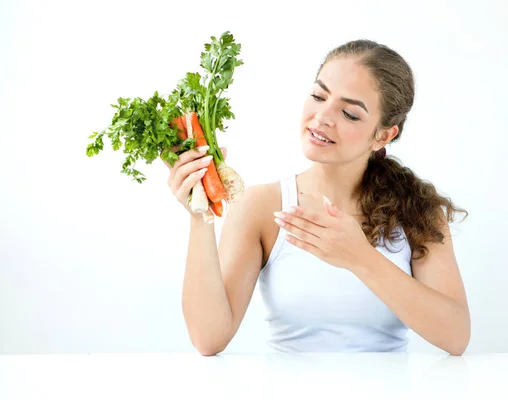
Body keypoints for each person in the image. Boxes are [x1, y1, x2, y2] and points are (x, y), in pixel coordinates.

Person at [164, 39, 470, 356]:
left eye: (350, 113)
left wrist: (360, 258)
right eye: (318, 96)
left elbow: (456, 336)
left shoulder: (418, 211)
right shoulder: (260, 207)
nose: (322, 116)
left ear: (383, 134)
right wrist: (199, 213)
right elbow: (209, 338)